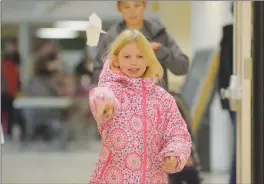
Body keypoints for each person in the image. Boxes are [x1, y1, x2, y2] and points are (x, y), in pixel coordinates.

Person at [88, 29, 192, 183]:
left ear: (149, 59)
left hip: (153, 178)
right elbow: (100, 95)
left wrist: (174, 156)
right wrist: (103, 104)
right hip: (114, 178)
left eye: (140, 56)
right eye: (127, 57)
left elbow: (178, 133)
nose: (134, 62)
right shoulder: (111, 91)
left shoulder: (162, 98)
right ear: (116, 60)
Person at [94, 0, 189, 90]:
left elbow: (183, 67)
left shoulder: (159, 34)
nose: (132, 12)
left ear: (144, 4)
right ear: (119, 8)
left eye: (137, 5)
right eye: (126, 7)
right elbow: (98, 73)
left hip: (155, 103)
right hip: (122, 103)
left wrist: (161, 51)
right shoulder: (110, 38)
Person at [218, 3, 236, 184]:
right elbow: (224, 71)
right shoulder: (231, 34)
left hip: (234, 98)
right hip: (236, 98)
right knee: (241, 145)